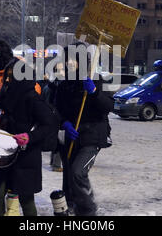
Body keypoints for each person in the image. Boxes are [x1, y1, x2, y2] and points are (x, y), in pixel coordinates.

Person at [0, 47, 57, 216]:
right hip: (5, 152)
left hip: (25, 156)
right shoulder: (6, 94)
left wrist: (29, 137)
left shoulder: (32, 98)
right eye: (7, 75)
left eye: (10, 76)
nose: (7, 79)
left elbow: (48, 124)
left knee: (26, 199)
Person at [56, 44, 114, 216]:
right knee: (68, 176)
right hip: (71, 136)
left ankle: (88, 211)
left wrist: (95, 92)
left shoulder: (94, 80)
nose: (69, 63)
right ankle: (71, 204)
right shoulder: (64, 84)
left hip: (92, 136)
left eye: (73, 59)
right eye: (67, 59)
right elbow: (56, 109)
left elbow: (108, 106)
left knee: (77, 172)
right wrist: (63, 123)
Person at [41, 63, 65, 172]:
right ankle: (56, 164)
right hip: (56, 116)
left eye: (61, 70)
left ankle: (54, 162)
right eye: (57, 70)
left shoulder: (54, 83)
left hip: (55, 116)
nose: (59, 72)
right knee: (60, 141)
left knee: (58, 140)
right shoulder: (54, 85)